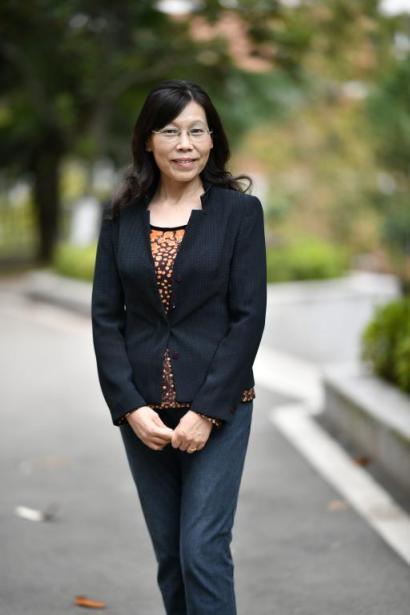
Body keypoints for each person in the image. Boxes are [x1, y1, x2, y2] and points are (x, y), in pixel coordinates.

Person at [91, 79, 267, 615]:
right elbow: (106, 317)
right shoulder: (121, 216)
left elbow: (247, 318)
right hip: (145, 412)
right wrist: (129, 406)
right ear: (148, 140)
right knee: (171, 557)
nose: (185, 144)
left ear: (213, 139)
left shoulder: (239, 213)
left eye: (197, 131)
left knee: (202, 551)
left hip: (218, 407)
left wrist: (206, 413)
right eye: (170, 132)